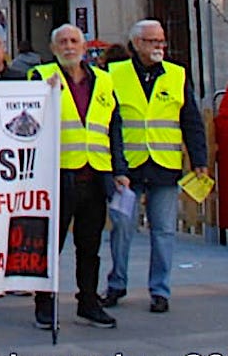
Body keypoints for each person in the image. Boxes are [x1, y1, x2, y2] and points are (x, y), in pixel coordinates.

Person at [101, 20, 208, 314]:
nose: (158, 46)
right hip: (128, 167)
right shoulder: (114, 74)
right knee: (122, 226)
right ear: (136, 44)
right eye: (151, 41)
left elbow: (192, 120)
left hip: (164, 165)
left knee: (163, 231)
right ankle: (117, 284)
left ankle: (160, 291)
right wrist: (114, 165)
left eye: (161, 41)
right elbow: (108, 121)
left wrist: (199, 160)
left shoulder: (176, 74)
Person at [27, 25, 128, 331]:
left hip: (96, 174)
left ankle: (88, 302)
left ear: (84, 47)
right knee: (49, 245)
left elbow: (114, 128)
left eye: (74, 41)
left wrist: (120, 170)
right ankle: (44, 305)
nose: (69, 46)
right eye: (63, 42)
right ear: (53, 47)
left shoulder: (105, 80)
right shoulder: (39, 76)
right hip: (57, 173)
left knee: (90, 245)